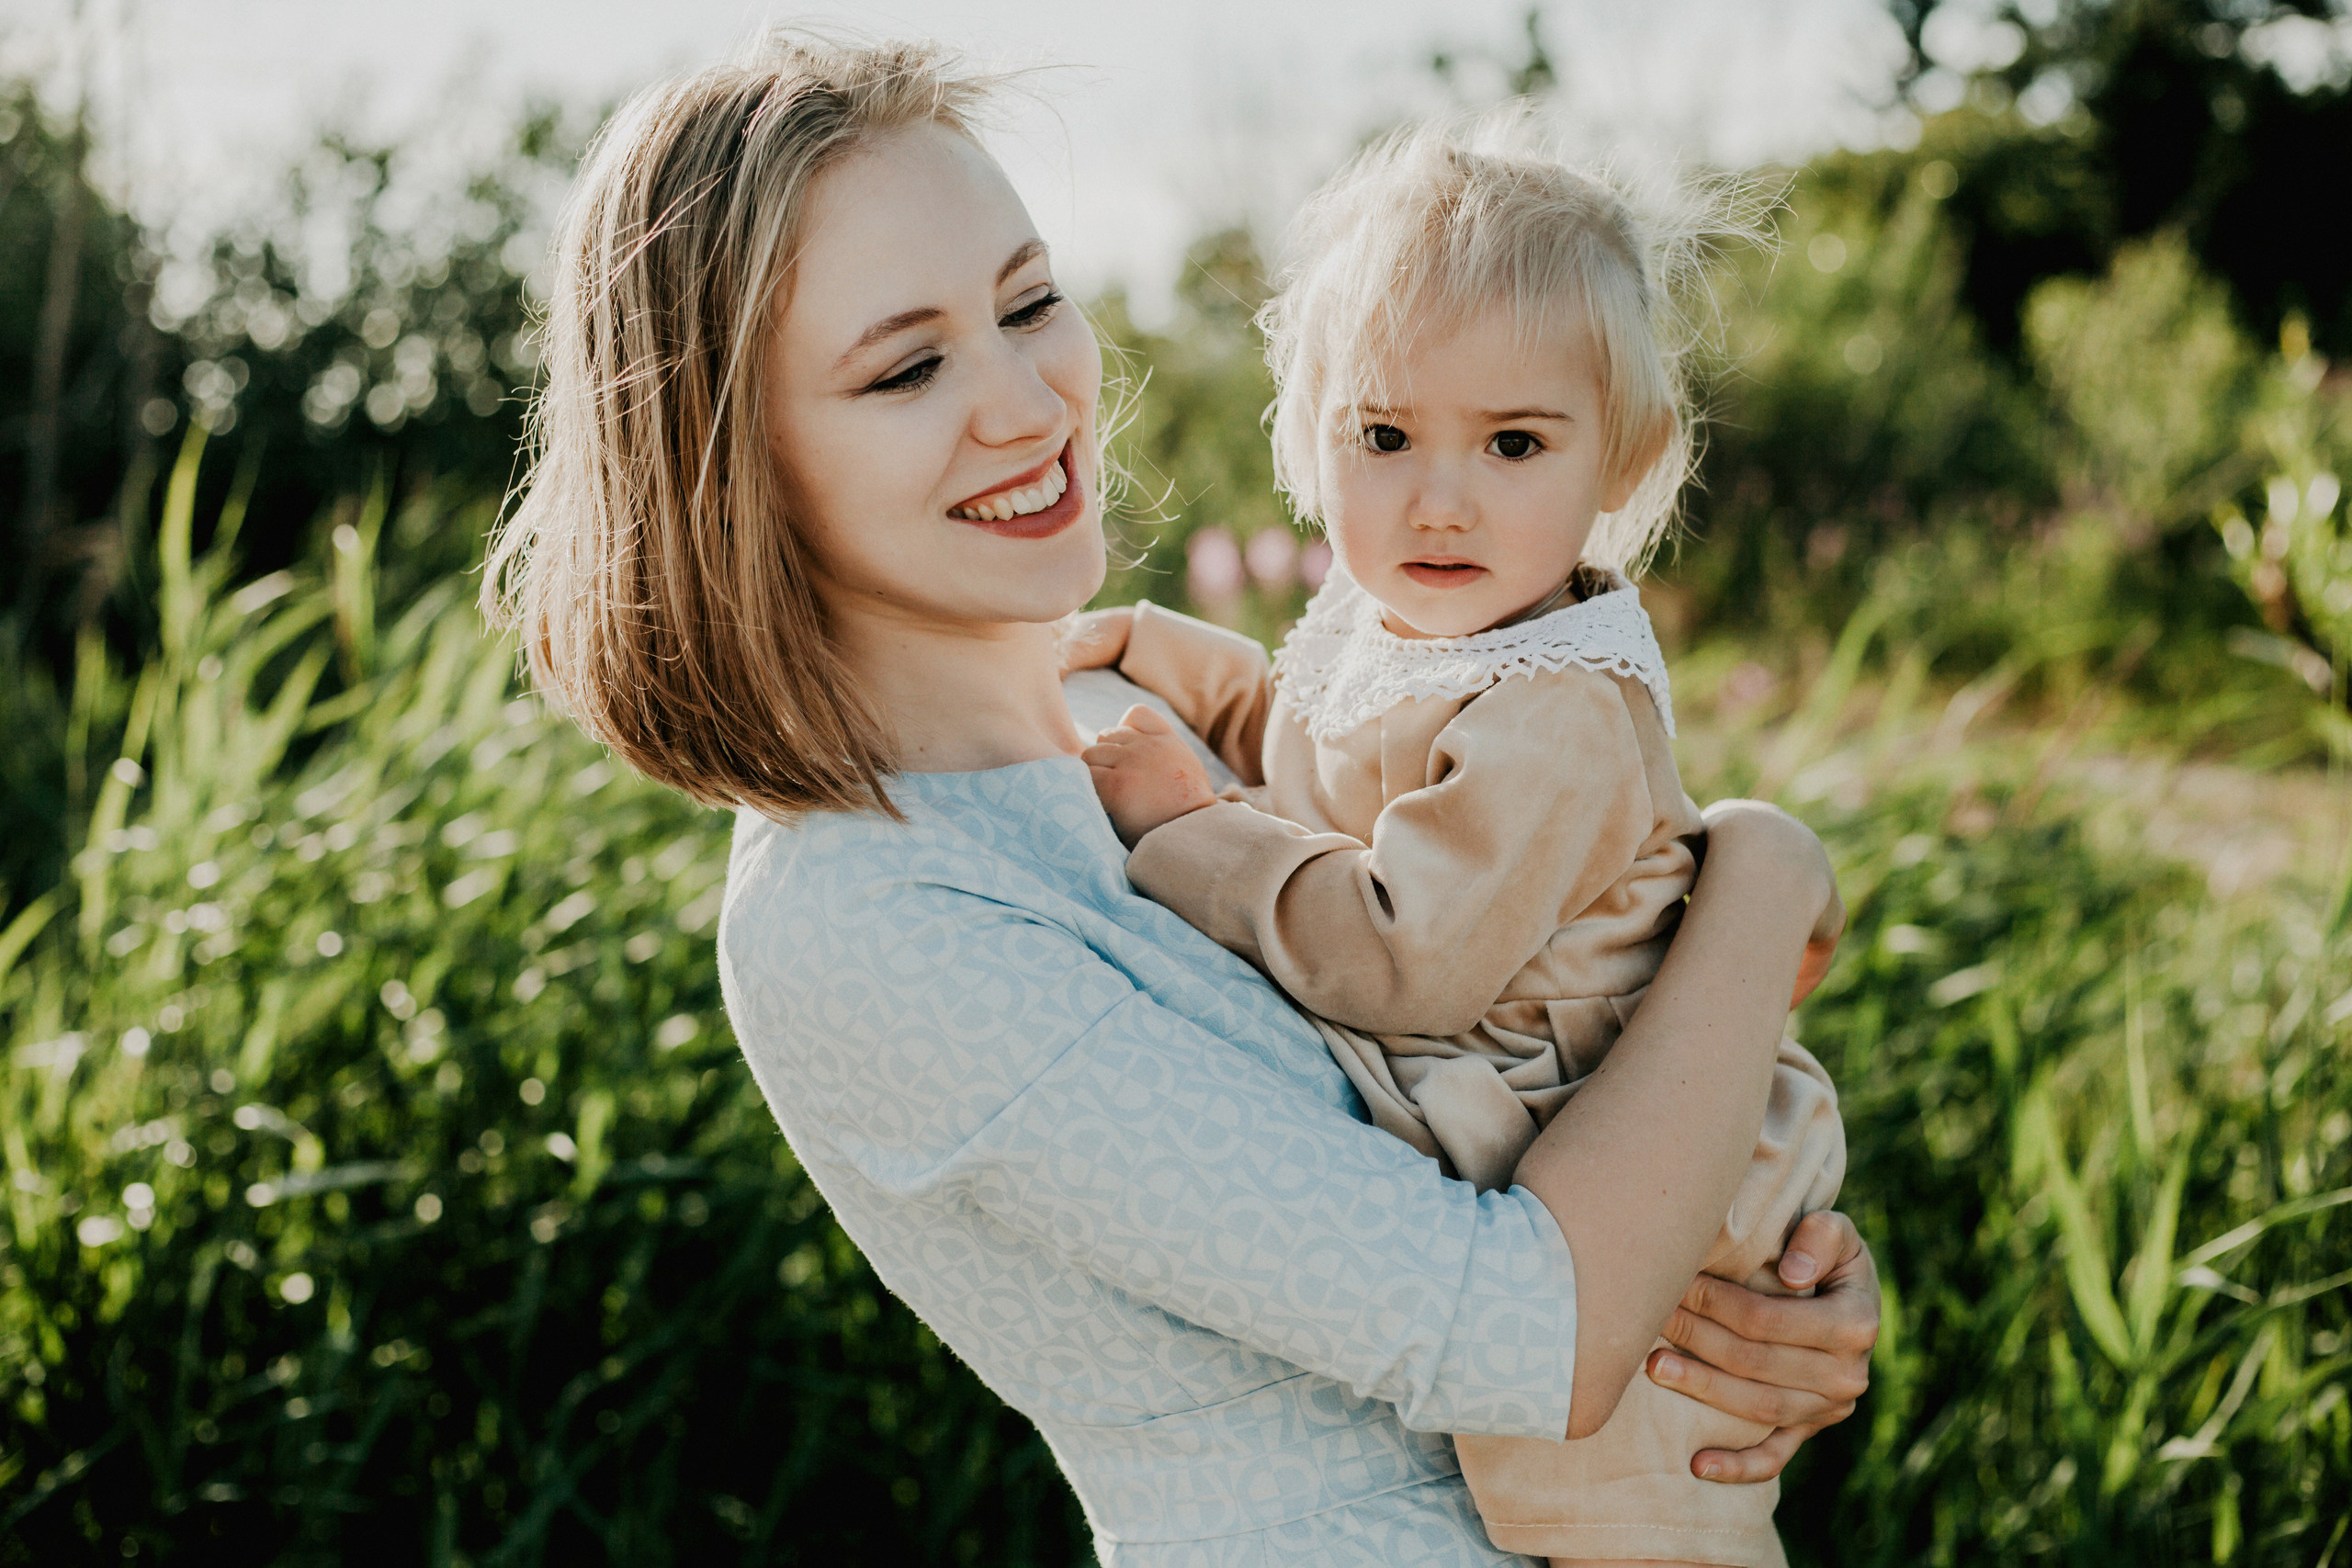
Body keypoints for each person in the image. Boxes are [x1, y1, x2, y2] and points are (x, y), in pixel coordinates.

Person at [484, 33, 1877, 1568]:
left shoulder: (1141, 723)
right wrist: (1760, 867)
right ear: (726, 465)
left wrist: (1754, 1272)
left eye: (1027, 305)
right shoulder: (866, 915)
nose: (1025, 401)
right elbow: (1532, 1331)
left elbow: (1538, 1098)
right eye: (906, 366)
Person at [1077, 119, 1840, 1568]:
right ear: (1312, 432)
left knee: (1639, 1515)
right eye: (1385, 435)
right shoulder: (1412, 627)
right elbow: (1315, 750)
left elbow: (1400, 953)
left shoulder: (1557, 706)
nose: (1440, 496)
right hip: (1545, 1115)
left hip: (1629, 1137)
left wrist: (1187, 832)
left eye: (1512, 443)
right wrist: (1170, 658)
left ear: (1622, 460)